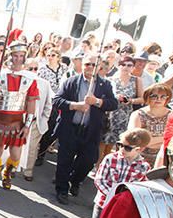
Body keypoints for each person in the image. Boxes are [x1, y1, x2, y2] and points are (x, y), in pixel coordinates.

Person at [77, 128, 152, 218]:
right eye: (120, 145)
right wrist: (112, 195)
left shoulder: (143, 167)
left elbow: (142, 187)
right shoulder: (111, 159)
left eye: (127, 148)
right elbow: (100, 179)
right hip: (103, 202)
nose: (122, 149)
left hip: (123, 208)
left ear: (139, 149)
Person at [52, 56, 118, 205]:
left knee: (89, 160)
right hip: (70, 128)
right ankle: (61, 189)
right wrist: (75, 105)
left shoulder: (105, 85)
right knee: (64, 160)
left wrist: (97, 101)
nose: (90, 67)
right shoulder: (72, 81)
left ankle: (75, 180)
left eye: (94, 65)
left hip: (91, 131)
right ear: (82, 65)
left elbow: (113, 104)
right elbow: (57, 100)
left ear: (99, 67)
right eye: (87, 64)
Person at [0, 42, 39, 196]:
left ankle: (7, 172)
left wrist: (27, 126)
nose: (18, 59)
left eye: (21, 56)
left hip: (17, 122)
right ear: (10, 56)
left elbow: (31, 103)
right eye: (15, 55)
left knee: (15, 155)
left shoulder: (30, 78)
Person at [100, 55, 143, 166]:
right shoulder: (110, 80)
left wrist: (130, 100)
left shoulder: (136, 80)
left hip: (124, 115)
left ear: (133, 67)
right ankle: (99, 164)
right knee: (102, 141)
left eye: (129, 65)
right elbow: (102, 96)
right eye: (123, 64)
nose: (126, 67)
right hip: (109, 114)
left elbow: (142, 98)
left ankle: (110, 164)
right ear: (118, 66)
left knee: (117, 143)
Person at [35, 48, 68, 165]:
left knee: (53, 130)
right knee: (45, 126)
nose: (50, 57)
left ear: (58, 57)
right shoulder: (43, 69)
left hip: (61, 101)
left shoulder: (64, 68)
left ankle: (43, 149)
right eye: (48, 55)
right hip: (47, 101)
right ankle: (39, 154)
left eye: (53, 55)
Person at [128, 83, 172, 164]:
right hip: (141, 159)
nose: (159, 99)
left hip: (165, 158)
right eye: (154, 96)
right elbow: (135, 140)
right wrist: (164, 139)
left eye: (163, 96)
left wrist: (151, 141)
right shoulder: (137, 115)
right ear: (147, 97)